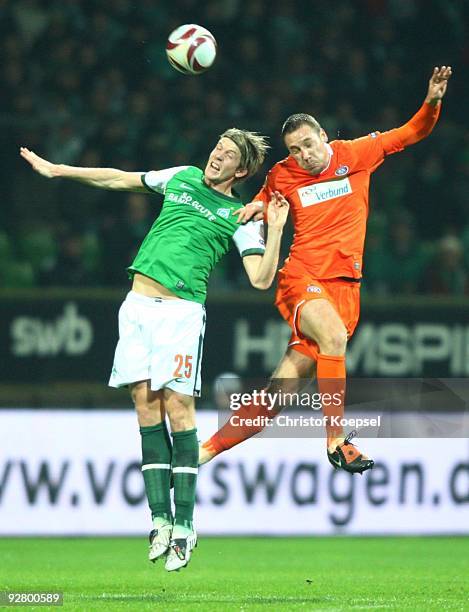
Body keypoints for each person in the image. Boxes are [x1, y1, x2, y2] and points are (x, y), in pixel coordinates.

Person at [20, 128, 289, 571]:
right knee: (145, 407)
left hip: (180, 314)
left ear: (241, 170)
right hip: (137, 305)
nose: (216, 155)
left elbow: (260, 278)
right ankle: (160, 520)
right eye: (216, 146)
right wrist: (57, 170)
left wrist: (275, 229)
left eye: (227, 154)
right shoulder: (181, 177)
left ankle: (185, 526)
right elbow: (118, 179)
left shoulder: (240, 214)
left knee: (178, 410)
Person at [200, 66, 453, 473]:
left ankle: (201, 452)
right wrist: (253, 210)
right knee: (333, 336)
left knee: (276, 395)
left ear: (323, 136)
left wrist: (432, 102)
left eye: (307, 145)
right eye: (295, 150)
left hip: (344, 291)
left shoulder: (356, 154)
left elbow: (412, 132)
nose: (303, 155)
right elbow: (265, 202)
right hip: (301, 278)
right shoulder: (282, 174)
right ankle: (336, 439)